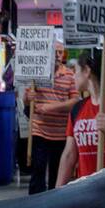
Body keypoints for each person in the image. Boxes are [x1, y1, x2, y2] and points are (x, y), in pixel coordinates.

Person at [56, 49, 105, 186]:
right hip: (86, 190)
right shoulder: (77, 109)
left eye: (76, 70)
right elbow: (69, 155)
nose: (73, 76)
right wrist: (57, 192)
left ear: (86, 71)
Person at [24, 46, 79, 194]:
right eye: (54, 52)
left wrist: (52, 107)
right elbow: (27, 100)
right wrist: (28, 98)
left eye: (60, 52)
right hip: (39, 129)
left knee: (56, 171)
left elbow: (75, 101)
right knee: (38, 169)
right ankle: (35, 206)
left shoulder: (70, 75)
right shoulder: (38, 73)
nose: (57, 55)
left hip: (60, 132)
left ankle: (53, 206)